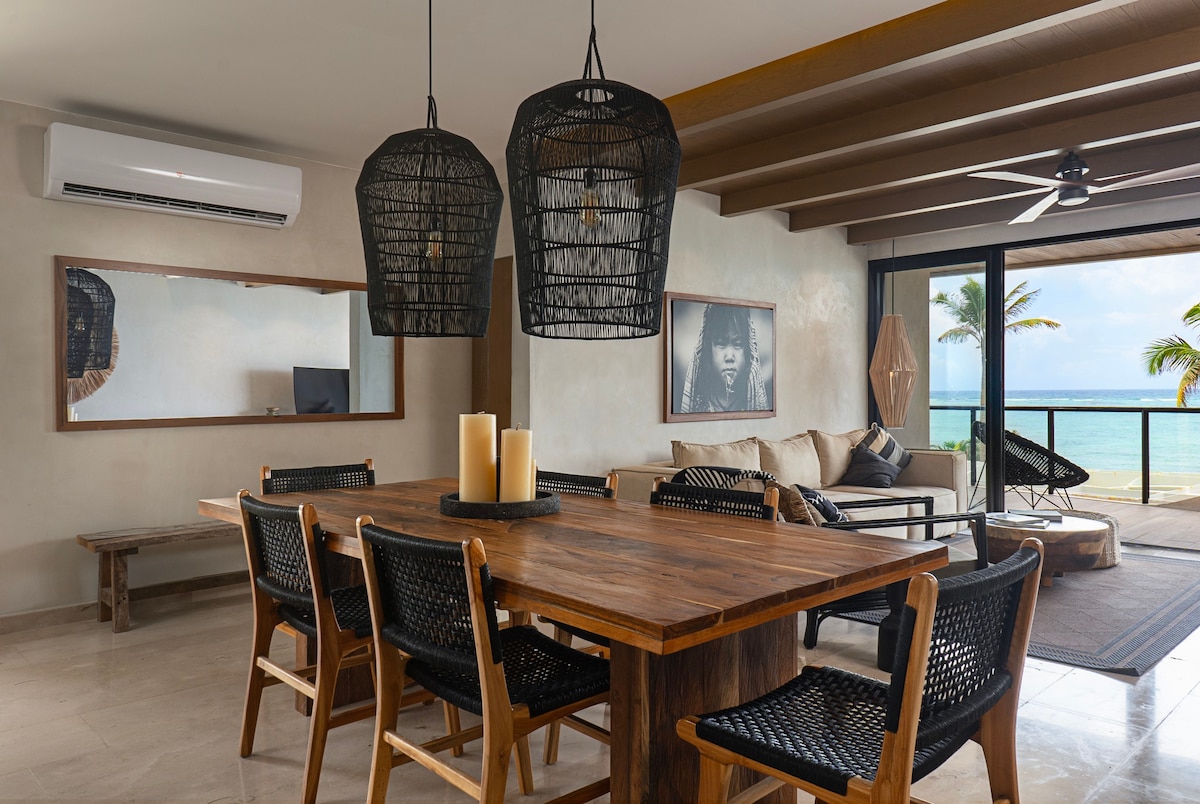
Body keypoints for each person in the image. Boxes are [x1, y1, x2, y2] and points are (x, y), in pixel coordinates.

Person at [679, 303, 769, 413]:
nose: (729, 357)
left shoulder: (750, 402)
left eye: (738, 344)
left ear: (747, 351)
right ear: (708, 349)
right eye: (721, 343)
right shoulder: (698, 403)